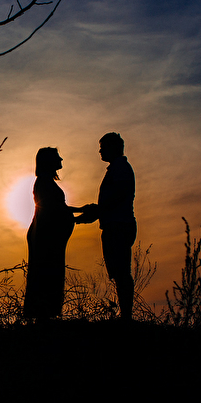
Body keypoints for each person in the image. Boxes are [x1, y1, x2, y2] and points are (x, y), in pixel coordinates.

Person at [77, 132, 136, 321]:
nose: (100, 152)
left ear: (113, 148)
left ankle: (126, 317)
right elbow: (111, 201)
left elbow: (116, 198)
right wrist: (94, 212)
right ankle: (125, 315)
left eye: (103, 148)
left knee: (122, 273)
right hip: (115, 224)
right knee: (120, 273)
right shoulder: (117, 168)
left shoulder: (120, 169)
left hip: (118, 225)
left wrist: (96, 211)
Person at [24, 147, 87, 320]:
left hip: (47, 235)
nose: (61, 159)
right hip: (45, 237)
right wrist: (80, 211)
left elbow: (59, 208)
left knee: (47, 272)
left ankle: (45, 314)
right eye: (57, 157)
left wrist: (80, 211)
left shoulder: (46, 182)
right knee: (46, 273)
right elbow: (54, 209)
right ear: (48, 161)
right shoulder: (44, 182)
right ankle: (43, 315)